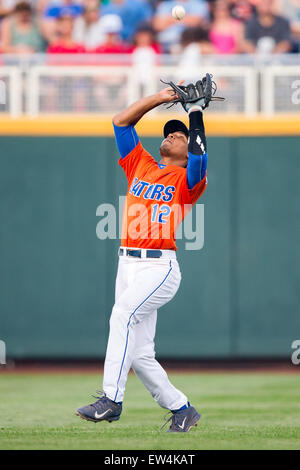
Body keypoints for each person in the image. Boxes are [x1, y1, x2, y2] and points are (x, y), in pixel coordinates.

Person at [76, 77, 213, 432]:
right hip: (127, 264)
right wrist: (163, 97)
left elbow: (200, 154)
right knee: (139, 353)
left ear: (186, 151)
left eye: (179, 136)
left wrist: (195, 113)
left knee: (121, 314)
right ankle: (182, 409)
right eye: (170, 132)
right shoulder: (141, 164)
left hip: (159, 267)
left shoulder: (189, 180)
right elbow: (121, 121)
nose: (172, 135)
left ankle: (111, 400)